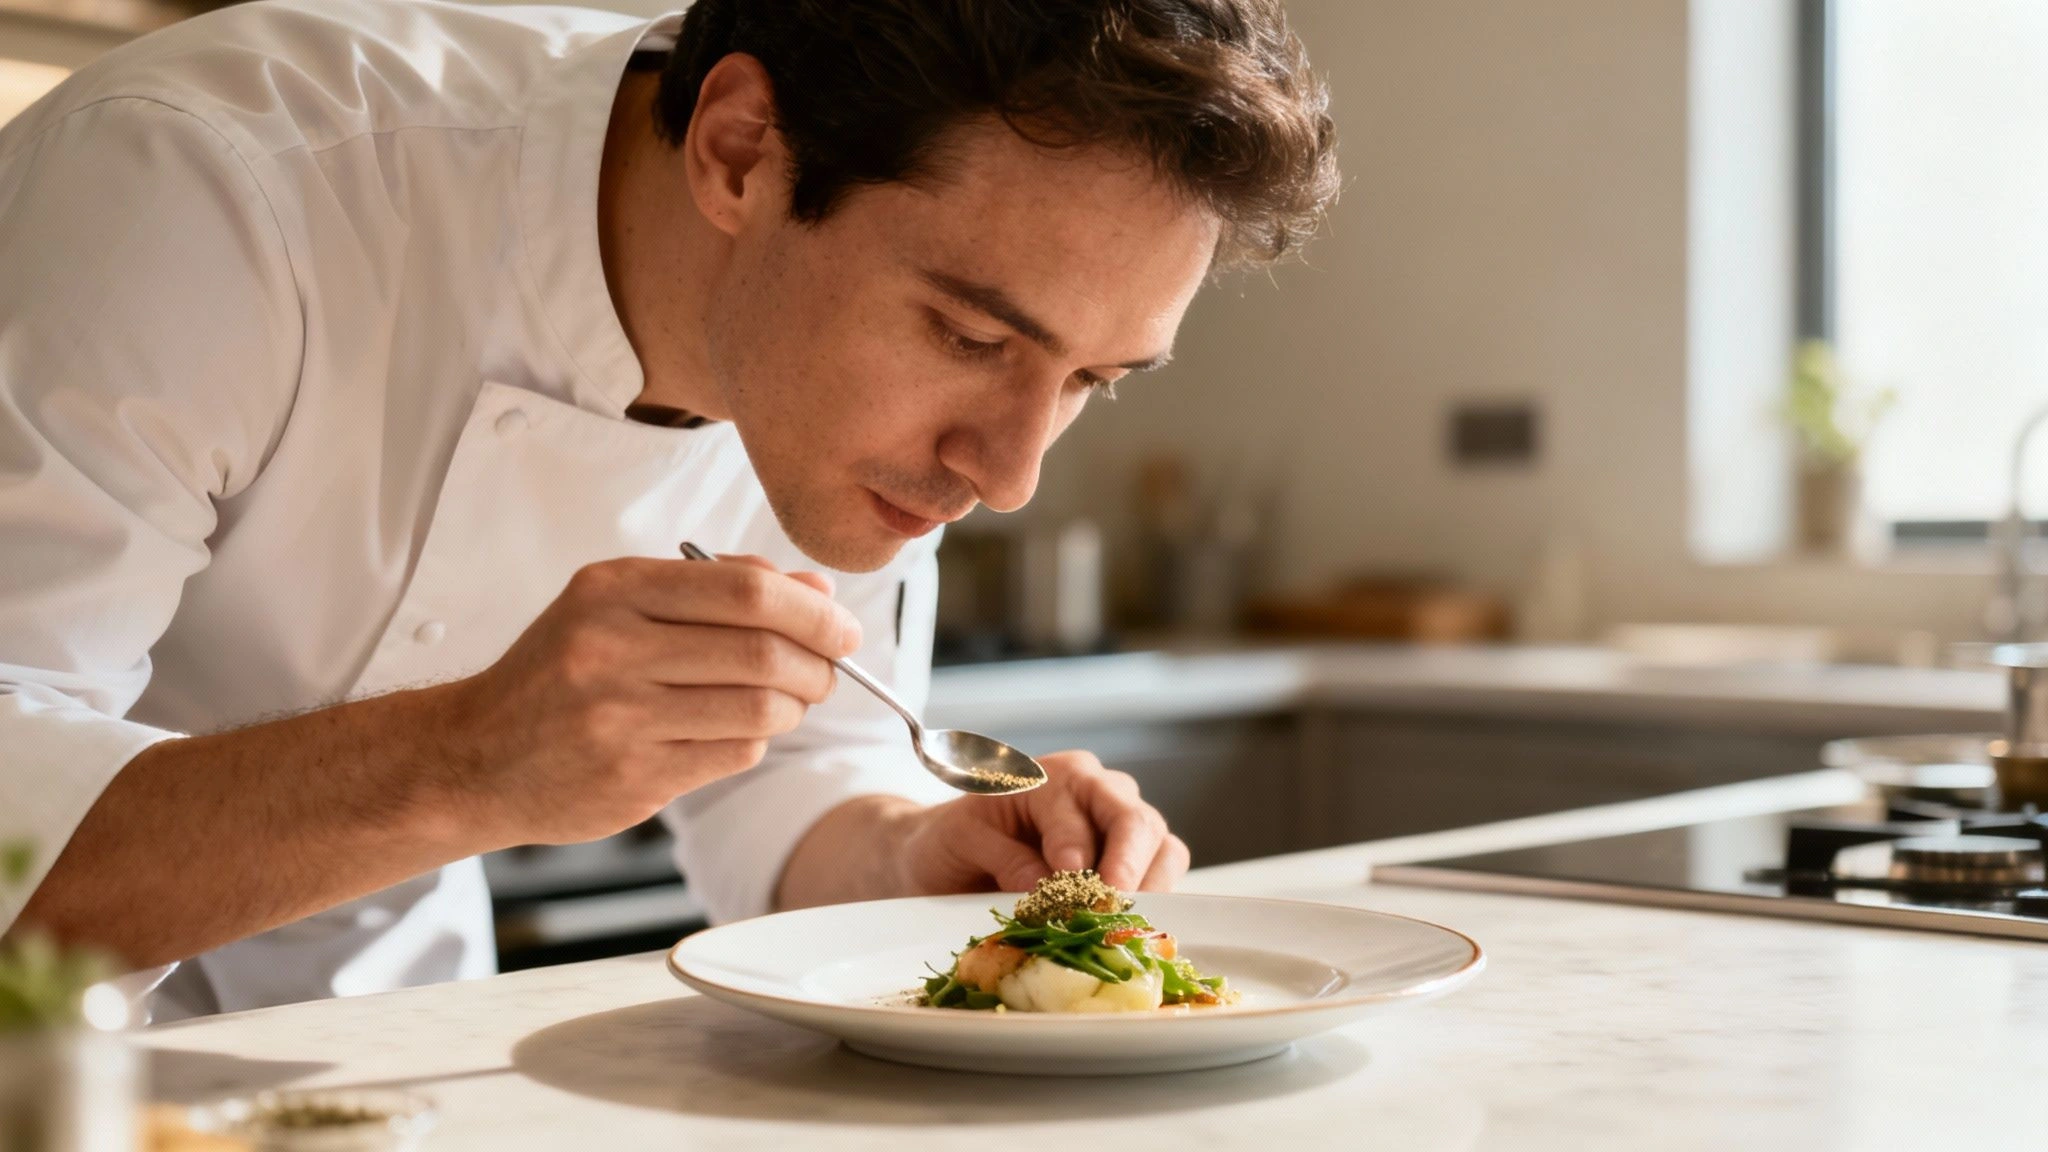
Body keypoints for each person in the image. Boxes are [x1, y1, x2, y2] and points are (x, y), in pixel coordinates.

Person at [0, 0, 1337, 1020]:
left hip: (382, 1056)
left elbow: (801, 783)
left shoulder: (832, 398)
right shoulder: (212, 187)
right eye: (972, 338)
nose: (1010, 473)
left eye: (1091, 380)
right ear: (743, 153)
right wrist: (460, 761)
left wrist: (928, 850)